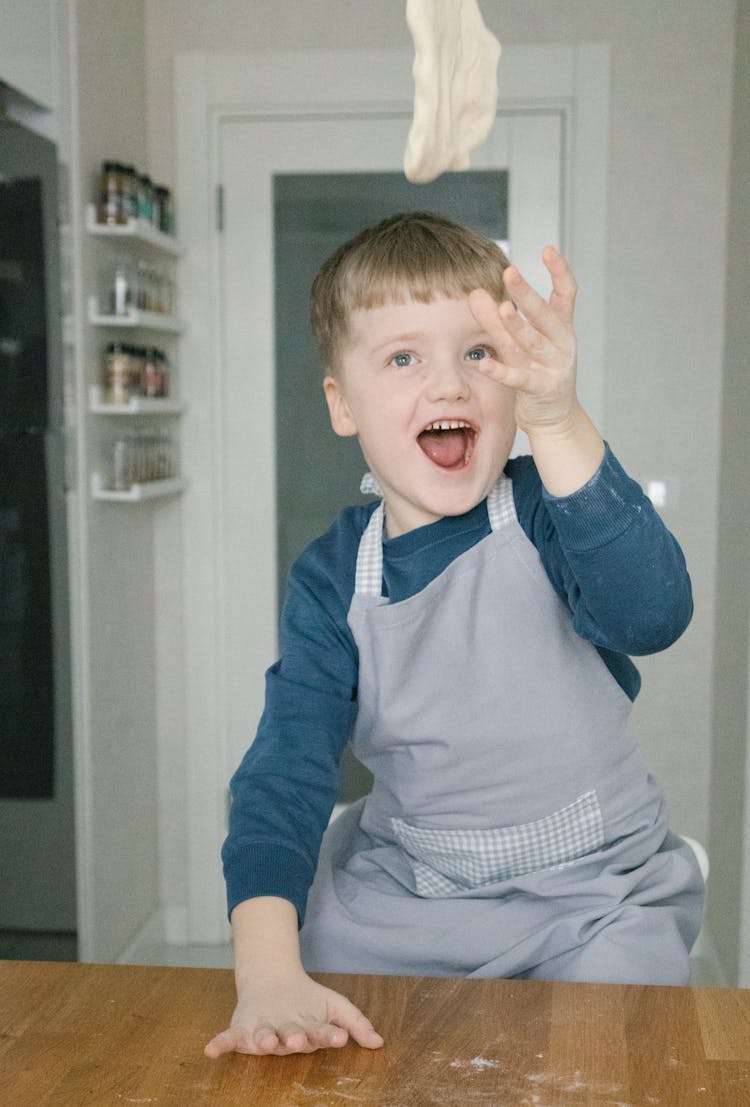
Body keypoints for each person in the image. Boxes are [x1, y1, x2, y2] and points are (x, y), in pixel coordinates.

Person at [205, 212, 704, 1059]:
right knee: (339, 1001)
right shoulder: (335, 579)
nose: (449, 385)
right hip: (413, 895)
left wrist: (558, 420)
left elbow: (652, 615)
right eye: (403, 357)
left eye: (479, 353)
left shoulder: (551, 510)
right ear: (341, 403)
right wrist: (266, 975)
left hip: (596, 894)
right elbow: (283, 773)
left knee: (611, 1047)